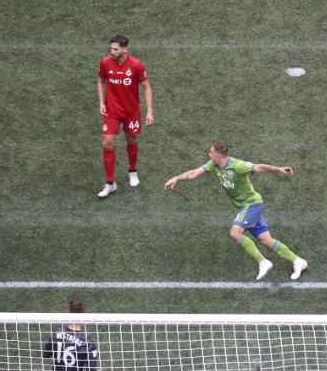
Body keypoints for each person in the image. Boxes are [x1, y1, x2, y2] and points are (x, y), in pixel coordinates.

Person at [164, 142, 308, 281]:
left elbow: (259, 167)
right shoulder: (214, 165)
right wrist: (177, 178)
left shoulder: (237, 166)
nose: (209, 155)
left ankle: (263, 262)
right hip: (245, 206)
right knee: (265, 239)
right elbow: (193, 174)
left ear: (218, 157)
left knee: (235, 233)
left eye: (211, 153)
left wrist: (278, 168)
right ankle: (298, 261)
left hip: (251, 204)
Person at [96, 34, 154, 198]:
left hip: (131, 112)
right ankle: (110, 183)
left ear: (124, 49)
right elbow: (101, 81)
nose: (112, 51)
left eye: (115, 49)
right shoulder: (105, 62)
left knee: (131, 140)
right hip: (111, 111)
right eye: (111, 48)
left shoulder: (136, 65)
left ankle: (132, 171)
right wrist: (102, 102)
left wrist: (149, 110)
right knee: (107, 144)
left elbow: (147, 88)